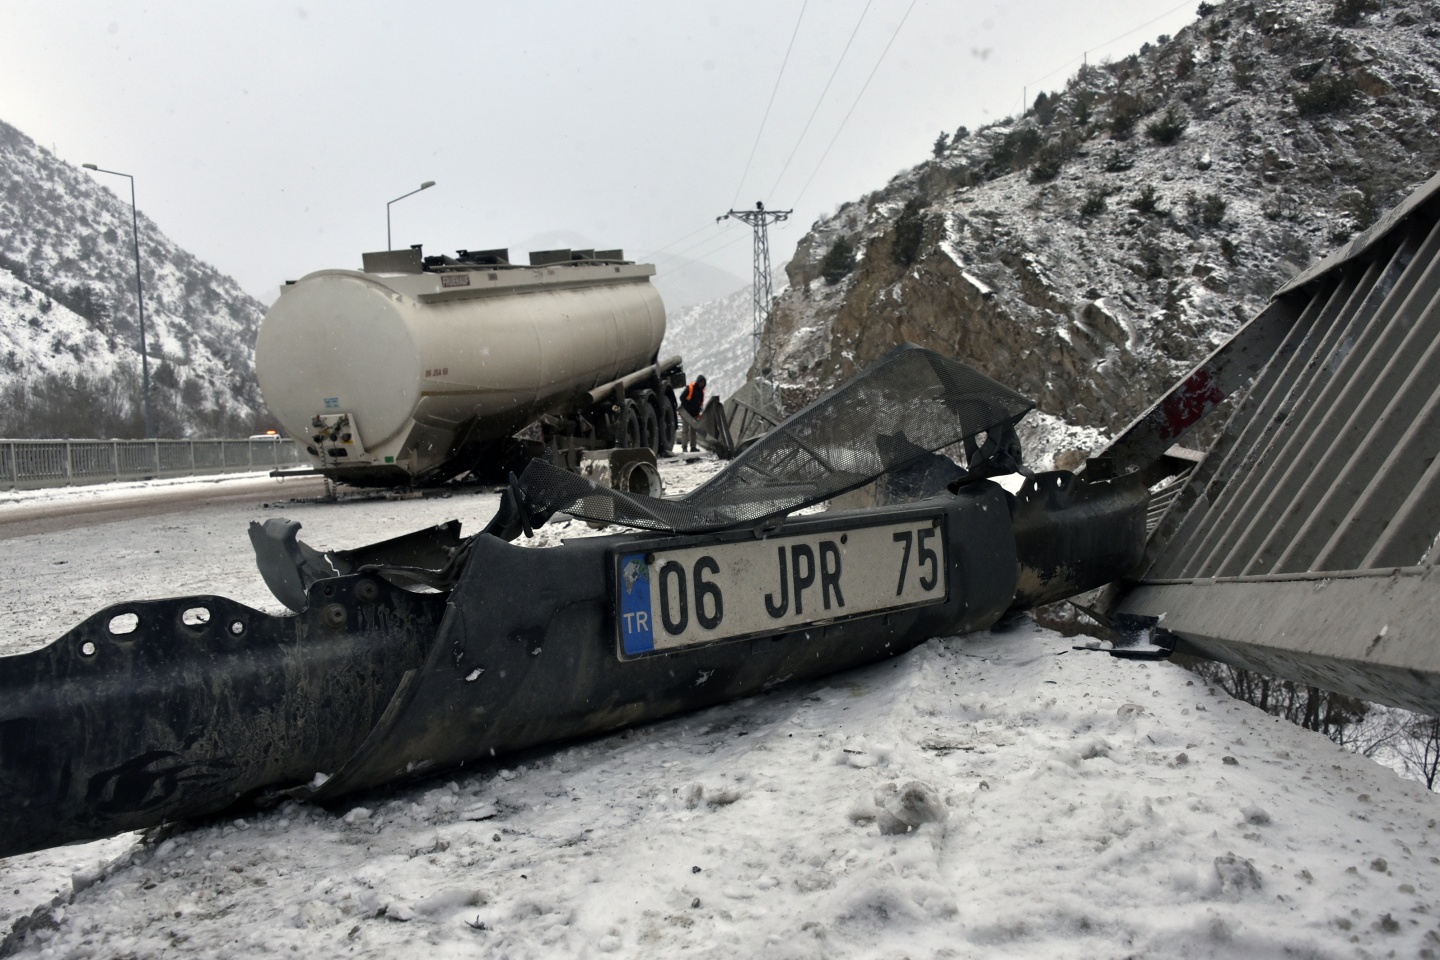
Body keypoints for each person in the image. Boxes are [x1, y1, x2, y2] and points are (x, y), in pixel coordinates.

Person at [679, 375, 706, 452]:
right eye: (701, 382)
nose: (702, 384)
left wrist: (698, 410)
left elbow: (700, 403)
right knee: (685, 430)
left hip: (694, 414)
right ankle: (684, 447)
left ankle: (693, 447)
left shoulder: (701, 392)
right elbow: (682, 397)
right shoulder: (690, 388)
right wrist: (688, 405)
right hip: (686, 413)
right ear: (698, 382)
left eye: (703, 383)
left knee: (693, 431)